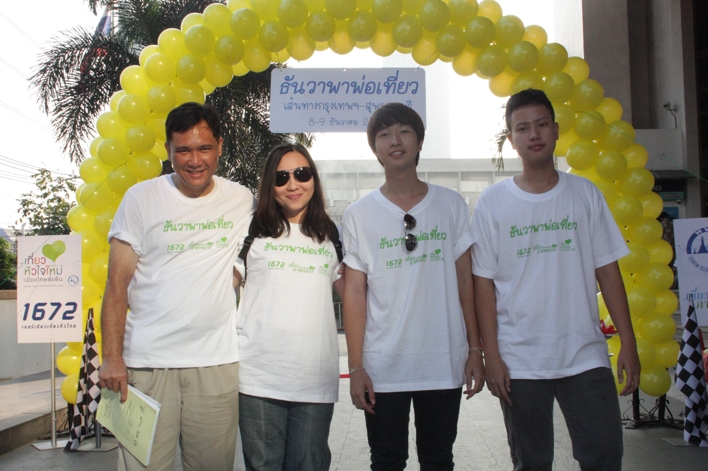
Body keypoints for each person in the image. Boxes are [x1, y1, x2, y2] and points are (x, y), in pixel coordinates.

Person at [471, 88, 641, 471]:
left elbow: (608, 271)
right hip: (519, 360)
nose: (534, 134)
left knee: (604, 456)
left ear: (557, 129)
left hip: (585, 355)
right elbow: (483, 284)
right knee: (532, 463)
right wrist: (491, 355)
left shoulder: (585, 194)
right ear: (511, 139)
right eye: (523, 128)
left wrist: (628, 343)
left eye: (542, 124)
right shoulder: (493, 203)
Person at [98, 102, 254, 471]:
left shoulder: (241, 199)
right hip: (146, 365)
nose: (195, 160)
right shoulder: (140, 198)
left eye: (204, 148)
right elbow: (116, 284)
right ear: (168, 150)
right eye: (183, 150)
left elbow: (246, 260)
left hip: (216, 363)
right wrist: (112, 357)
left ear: (220, 146)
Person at [341, 102, 485, 470]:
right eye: (384, 134)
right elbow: (354, 293)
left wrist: (474, 348)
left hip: (442, 360)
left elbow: (465, 281)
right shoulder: (359, 214)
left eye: (404, 131)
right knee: (386, 461)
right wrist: (356, 367)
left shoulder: (451, 205)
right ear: (375, 149)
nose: (395, 140)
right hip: (382, 365)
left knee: (438, 460)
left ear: (420, 142)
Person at [234, 143, 344, 470]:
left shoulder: (330, 234)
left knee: (309, 464)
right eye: (281, 177)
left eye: (301, 173)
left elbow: (352, 293)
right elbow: (223, 286)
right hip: (257, 377)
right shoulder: (252, 228)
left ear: (314, 178)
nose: (293, 184)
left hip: (314, 378)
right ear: (270, 184)